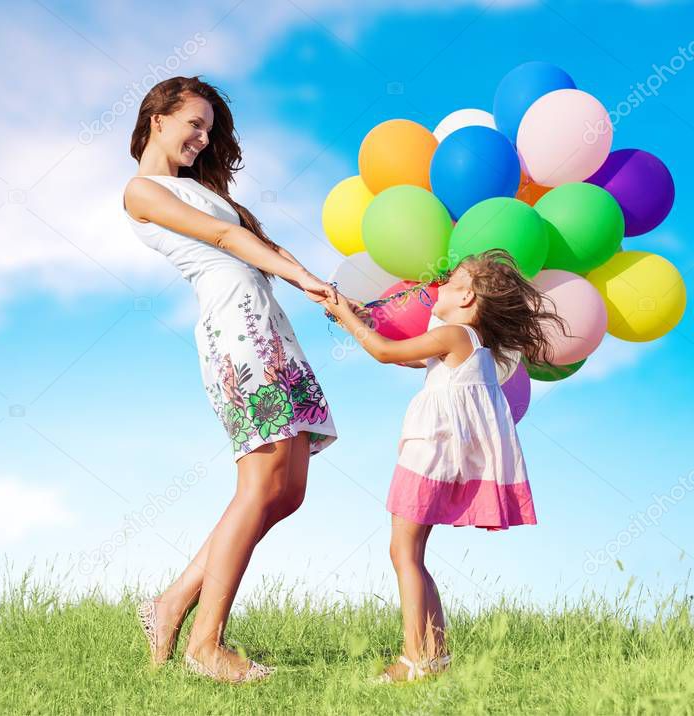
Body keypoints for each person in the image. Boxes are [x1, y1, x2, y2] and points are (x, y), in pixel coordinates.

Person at [123, 76, 339, 683]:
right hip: (237, 330)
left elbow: (254, 241)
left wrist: (321, 288)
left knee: (287, 489)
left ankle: (170, 605)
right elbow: (223, 238)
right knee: (260, 482)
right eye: (194, 122)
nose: (202, 137)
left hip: (268, 324)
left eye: (210, 129)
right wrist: (302, 280)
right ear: (157, 119)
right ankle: (205, 644)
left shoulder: (201, 188)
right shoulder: (141, 191)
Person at [322, 248, 566, 682]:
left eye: (451, 281)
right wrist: (365, 318)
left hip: (429, 454)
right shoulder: (466, 342)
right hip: (438, 455)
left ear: (468, 298)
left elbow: (383, 353)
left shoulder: (456, 335)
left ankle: (414, 658)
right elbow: (410, 355)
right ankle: (434, 654)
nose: (439, 284)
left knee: (404, 552)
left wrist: (346, 317)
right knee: (410, 552)